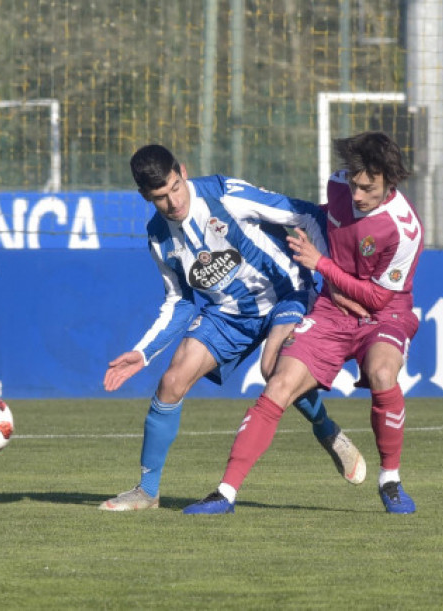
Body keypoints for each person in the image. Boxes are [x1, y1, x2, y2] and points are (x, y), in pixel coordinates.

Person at [98, 143, 368, 512]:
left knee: (273, 366)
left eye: (176, 187)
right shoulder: (159, 238)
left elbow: (303, 214)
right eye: (161, 197)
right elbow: (179, 301)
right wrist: (144, 352)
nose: (174, 202)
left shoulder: (225, 194)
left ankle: (326, 429)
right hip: (228, 314)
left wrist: (332, 278)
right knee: (171, 381)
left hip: (286, 292)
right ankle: (147, 491)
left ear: (184, 171)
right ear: (145, 196)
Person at [182, 131, 423, 515]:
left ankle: (390, 481)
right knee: (278, 381)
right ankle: (224, 494)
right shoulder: (339, 184)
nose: (357, 195)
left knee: (381, 373)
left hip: (384, 314)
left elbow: (378, 298)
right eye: (354, 183)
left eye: (368, 188)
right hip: (331, 309)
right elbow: (320, 220)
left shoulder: (404, 228)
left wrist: (323, 266)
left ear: (389, 182)